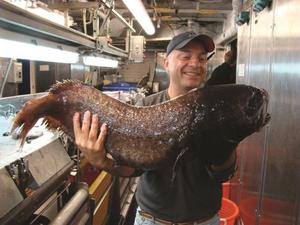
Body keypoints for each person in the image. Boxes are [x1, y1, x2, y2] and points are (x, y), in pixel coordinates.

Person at [73, 31, 237, 225]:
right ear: (166, 63)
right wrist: (102, 162)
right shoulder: (144, 108)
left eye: (201, 58)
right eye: (185, 56)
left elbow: (225, 172)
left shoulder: (216, 109)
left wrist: (226, 146)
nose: (195, 64)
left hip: (206, 220)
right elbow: (135, 169)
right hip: (153, 220)